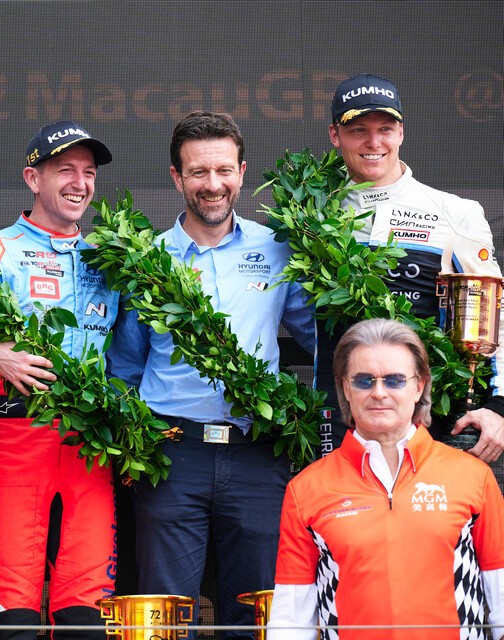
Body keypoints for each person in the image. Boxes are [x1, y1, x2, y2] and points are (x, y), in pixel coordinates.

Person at [106, 111, 315, 639]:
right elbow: (124, 367)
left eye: (223, 170)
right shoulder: (147, 260)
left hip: (258, 452)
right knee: (165, 615)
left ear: (242, 172)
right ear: (176, 177)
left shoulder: (278, 248)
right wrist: (134, 444)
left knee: (257, 614)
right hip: (172, 455)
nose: (212, 184)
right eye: (198, 172)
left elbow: (323, 342)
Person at [0, 120, 119, 640]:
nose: (80, 183)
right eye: (65, 170)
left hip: (89, 446)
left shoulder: (110, 260)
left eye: (89, 172)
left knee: (88, 610)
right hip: (14, 438)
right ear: (33, 178)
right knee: (11, 604)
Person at [268, 318, 504, 640]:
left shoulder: (473, 476)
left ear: (419, 386)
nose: (379, 393)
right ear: (345, 388)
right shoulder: (306, 489)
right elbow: (291, 623)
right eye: (364, 380)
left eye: (395, 380)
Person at [315, 73, 504, 464]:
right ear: (335, 135)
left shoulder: (455, 213)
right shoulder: (311, 216)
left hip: (434, 422)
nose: (373, 142)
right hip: (339, 421)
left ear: (401, 133)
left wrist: (500, 406)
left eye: (385, 129)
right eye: (358, 130)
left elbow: (496, 316)